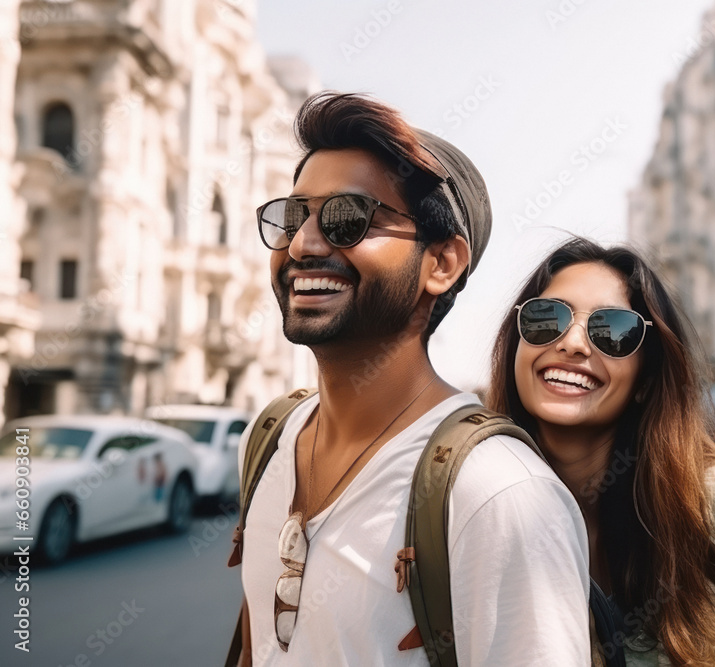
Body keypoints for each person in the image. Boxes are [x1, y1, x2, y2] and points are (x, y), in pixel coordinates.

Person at [237, 92, 590, 666]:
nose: (303, 244)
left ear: (442, 263)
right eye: (292, 216)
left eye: (347, 218)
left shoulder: (500, 493)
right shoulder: (268, 439)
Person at [488, 239, 715, 666]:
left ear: (645, 381)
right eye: (546, 318)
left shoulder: (714, 505)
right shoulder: (479, 508)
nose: (573, 343)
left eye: (611, 330)